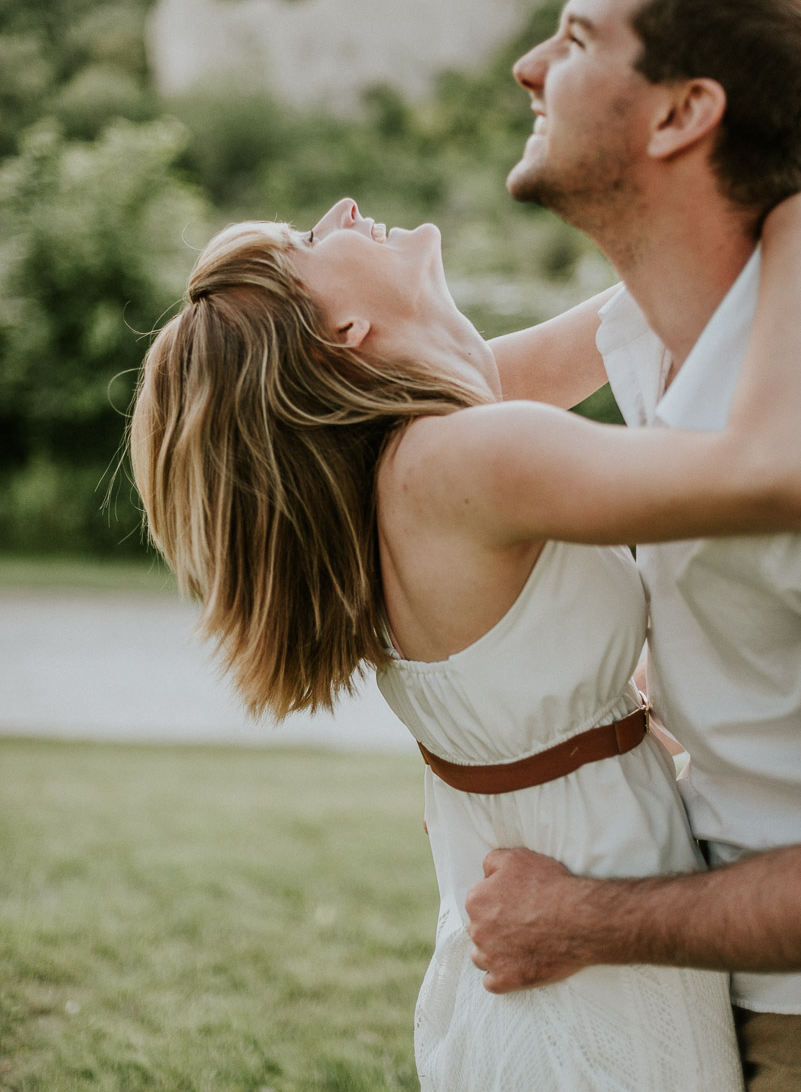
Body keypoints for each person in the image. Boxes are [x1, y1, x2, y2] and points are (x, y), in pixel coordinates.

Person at [130, 186, 801, 1089]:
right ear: (340, 331)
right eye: (306, 241)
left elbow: (634, 306)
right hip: (588, 937)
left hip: (558, 910)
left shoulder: (407, 452)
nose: (341, 208)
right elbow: (755, 476)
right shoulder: (458, 463)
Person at [463, 0, 801, 1087]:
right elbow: (447, 393)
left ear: (680, 112)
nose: (528, 66)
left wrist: (583, 918)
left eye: (576, 37)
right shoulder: (662, 324)